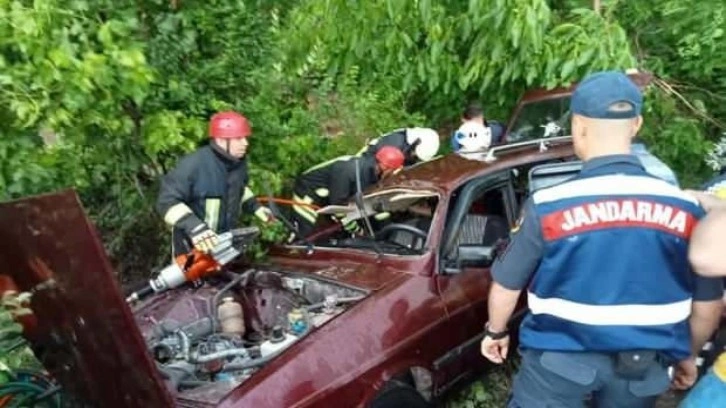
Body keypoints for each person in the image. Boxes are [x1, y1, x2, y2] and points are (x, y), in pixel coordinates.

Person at [479, 71, 724, 407]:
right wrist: (687, 354)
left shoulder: (548, 205)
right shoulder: (687, 208)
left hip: (558, 368)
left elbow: (508, 284)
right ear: (635, 125)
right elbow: (708, 306)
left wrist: (496, 331)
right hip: (641, 371)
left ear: (578, 125)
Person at [156, 111, 274, 256]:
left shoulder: (237, 164)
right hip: (191, 250)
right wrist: (195, 227)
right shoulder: (194, 165)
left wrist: (256, 208)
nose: (245, 143)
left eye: (245, 137)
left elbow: (240, 189)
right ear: (221, 140)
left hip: (223, 246)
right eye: (238, 138)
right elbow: (167, 202)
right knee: (188, 279)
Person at [291, 146, 405, 238]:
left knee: (337, 230)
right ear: (385, 167)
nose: (393, 176)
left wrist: (387, 227)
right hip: (309, 192)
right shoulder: (349, 172)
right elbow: (338, 206)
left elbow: (372, 202)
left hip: (332, 194)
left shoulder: (373, 173)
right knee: (305, 232)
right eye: (393, 172)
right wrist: (358, 231)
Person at [357, 127, 440, 167]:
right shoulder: (393, 144)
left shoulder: (407, 147)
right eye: (415, 155)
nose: (415, 157)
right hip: (364, 163)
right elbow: (374, 165)